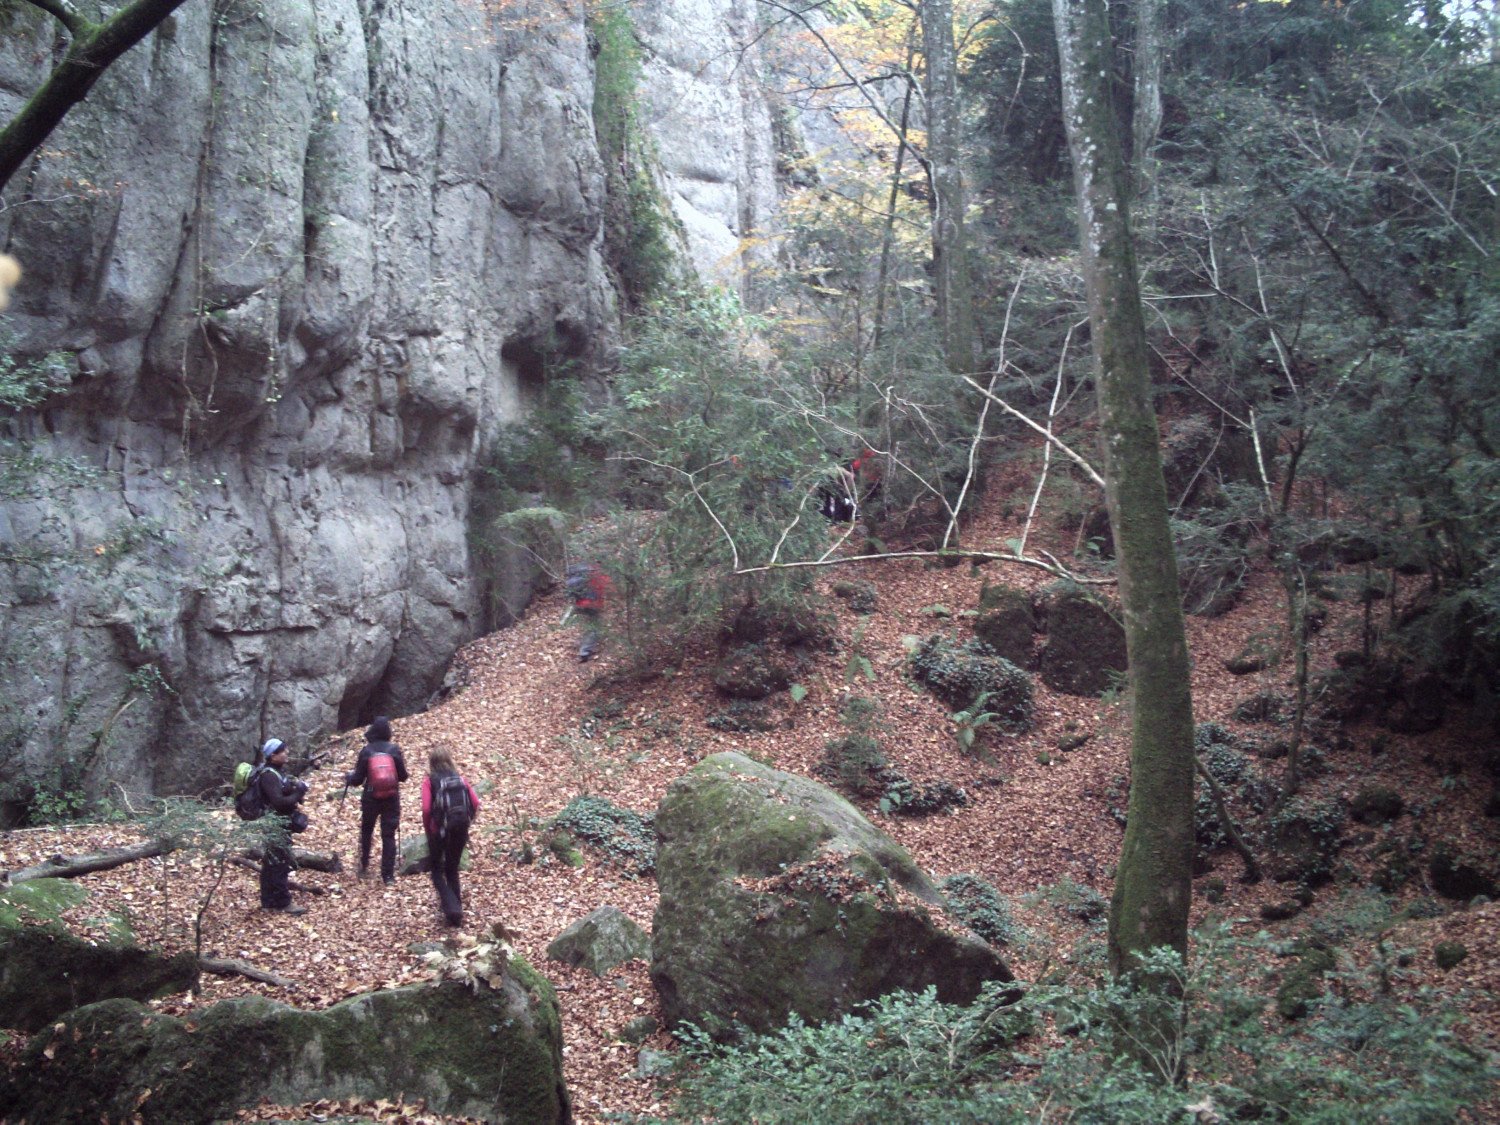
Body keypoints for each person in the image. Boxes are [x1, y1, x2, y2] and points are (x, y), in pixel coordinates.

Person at [343, 716, 409, 885]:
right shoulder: (394, 750)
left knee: (367, 830)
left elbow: (357, 780)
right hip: (391, 798)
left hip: (370, 798)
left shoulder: (367, 751)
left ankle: (364, 864)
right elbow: (403, 777)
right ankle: (388, 876)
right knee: (388, 835)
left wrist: (349, 778)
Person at [421, 745, 481, 927]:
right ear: (449, 761)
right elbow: (476, 802)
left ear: (432, 763)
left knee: (437, 871)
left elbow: (425, 808)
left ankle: (452, 908)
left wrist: (430, 829)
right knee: (452, 868)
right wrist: (467, 821)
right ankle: (456, 912)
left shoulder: (430, 781)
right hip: (460, 828)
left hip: (439, 830)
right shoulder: (461, 779)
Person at [257, 738, 310, 915]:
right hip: (275, 824)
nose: (287, 753)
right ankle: (283, 902)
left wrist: (295, 789)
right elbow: (279, 802)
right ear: (273, 755)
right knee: (279, 862)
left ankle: (268, 901)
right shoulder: (269, 775)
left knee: (272, 862)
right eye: (283, 751)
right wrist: (299, 792)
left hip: (278, 822)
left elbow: (283, 793)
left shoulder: (276, 772)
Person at [565, 562, 612, 663]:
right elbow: (609, 586)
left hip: (580, 603)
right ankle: (585, 652)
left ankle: (584, 644)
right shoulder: (600, 573)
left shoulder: (588, 569)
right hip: (592, 603)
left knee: (588, 624)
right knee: (594, 627)